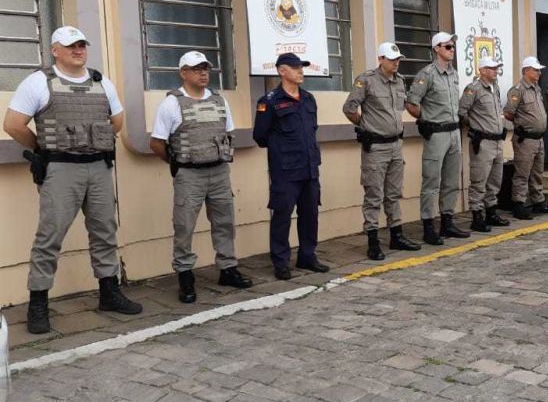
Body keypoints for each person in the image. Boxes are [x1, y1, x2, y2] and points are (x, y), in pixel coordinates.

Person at [3, 26, 142, 334]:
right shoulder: (39, 81)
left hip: (98, 166)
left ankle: (109, 292)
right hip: (61, 168)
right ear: (55, 50)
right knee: (49, 237)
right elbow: (13, 124)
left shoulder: (100, 80)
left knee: (105, 231)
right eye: (71, 46)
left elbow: (117, 120)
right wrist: (41, 147)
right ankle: (38, 302)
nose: (79, 50)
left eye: (82, 45)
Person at [150, 51, 252, 302]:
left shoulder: (219, 100)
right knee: (184, 226)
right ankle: (185, 276)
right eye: (196, 69)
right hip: (190, 174)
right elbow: (157, 143)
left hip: (219, 171)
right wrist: (177, 164)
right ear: (183, 73)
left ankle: (227, 268)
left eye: (205, 68)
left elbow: (228, 132)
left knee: (224, 222)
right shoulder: (172, 103)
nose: (203, 73)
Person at [253, 53, 329, 279]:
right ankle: (281, 262)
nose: (300, 71)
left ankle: (307, 256)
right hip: (285, 170)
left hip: (309, 167)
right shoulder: (269, 101)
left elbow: (311, 131)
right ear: (282, 71)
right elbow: (260, 136)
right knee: (282, 216)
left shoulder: (308, 98)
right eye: (295, 67)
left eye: (302, 67)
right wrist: (282, 150)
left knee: (310, 214)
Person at [343, 42, 422, 260]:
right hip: (375, 147)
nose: (396, 63)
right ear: (380, 59)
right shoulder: (366, 80)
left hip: (396, 145)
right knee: (374, 195)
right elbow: (349, 109)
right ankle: (373, 241)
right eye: (391, 59)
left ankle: (396, 235)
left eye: (398, 59)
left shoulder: (400, 82)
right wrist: (366, 125)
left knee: (394, 193)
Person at [406, 32, 468, 244]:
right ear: (436, 49)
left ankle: (447, 222)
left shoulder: (454, 74)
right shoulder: (427, 74)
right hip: (437, 133)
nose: (451, 49)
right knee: (431, 181)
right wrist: (425, 120)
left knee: (451, 180)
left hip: (454, 132)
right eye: (447, 46)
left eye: (452, 46)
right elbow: (411, 102)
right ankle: (428, 225)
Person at [458, 56, 510, 232]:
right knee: (479, 180)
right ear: (482, 70)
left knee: (495, 180)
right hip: (483, 142)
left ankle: (491, 212)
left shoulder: (494, 89)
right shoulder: (473, 89)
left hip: (497, 142)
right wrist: (475, 129)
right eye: (492, 68)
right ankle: (477, 216)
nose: (496, 71)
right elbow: (462, 112)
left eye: (496, 68)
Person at [505, 57, 548, 219]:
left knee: (537, 172)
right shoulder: (518, 90)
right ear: (526, 70)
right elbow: (508, 113)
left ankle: (538, 201)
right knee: (522, 173)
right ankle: (518, 204)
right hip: (525, 139)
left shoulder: (536, 89)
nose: (539, 73)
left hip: (538, 138)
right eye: (536, 70)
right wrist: (522, 125)